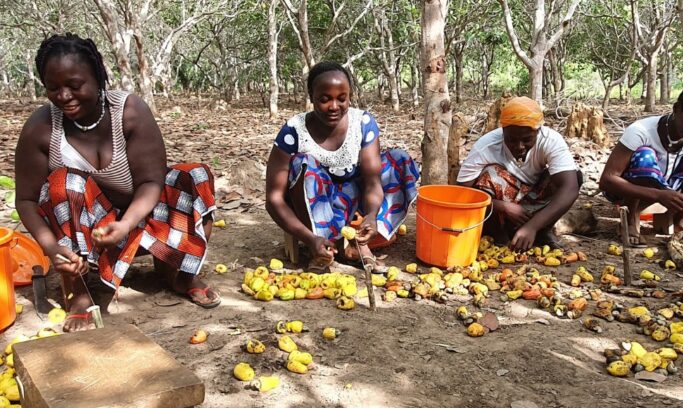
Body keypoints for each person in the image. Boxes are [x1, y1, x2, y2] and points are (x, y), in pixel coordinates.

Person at [14, 33, 221, 332]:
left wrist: (125, 225)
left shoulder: (129, 111)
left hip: (144, 219)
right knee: (63, 183)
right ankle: (80, 293)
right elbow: (26, 200)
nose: (64, 96)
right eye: (53, 88)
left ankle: (180, 272)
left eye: (74, 85)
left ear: (98, 77)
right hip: (89, 236)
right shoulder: (41, 128)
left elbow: (152, 181)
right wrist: (49, 247)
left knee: (195, 175)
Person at [265, 62, 418, 271]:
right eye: (325, 99)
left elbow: (373, 182)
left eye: (341, 98)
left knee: (398, 160)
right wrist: (309, 238)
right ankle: (325, 244)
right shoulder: (294, 131)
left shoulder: (362, 123)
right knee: (303, 164)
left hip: (354, 198)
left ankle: (360, 242)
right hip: (313, 203)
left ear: (350, 96)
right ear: (312, 97)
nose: (334, 106)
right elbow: (273, 200)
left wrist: (372, 215)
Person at [599, 82, 683, 245]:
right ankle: (630, 221)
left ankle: (680, 220)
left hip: (671, 186)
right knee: (645, 154)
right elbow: (607, 180)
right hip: (629, 188)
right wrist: (658, 195)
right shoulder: (641, 131)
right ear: (676, 108)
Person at [457, 96, 581, 252]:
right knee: (489, 174)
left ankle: (542, 231)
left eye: (527, 139)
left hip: (535, 205)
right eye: (511, 140)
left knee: (573, 177)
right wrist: (502, 207)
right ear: (503, 131)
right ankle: (499, 235)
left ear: (538, 131)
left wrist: (532, 226)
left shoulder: (551, 141)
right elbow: (462, 194)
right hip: (502, 210)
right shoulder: (486, 146)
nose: (519, 146)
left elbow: (570, 188)